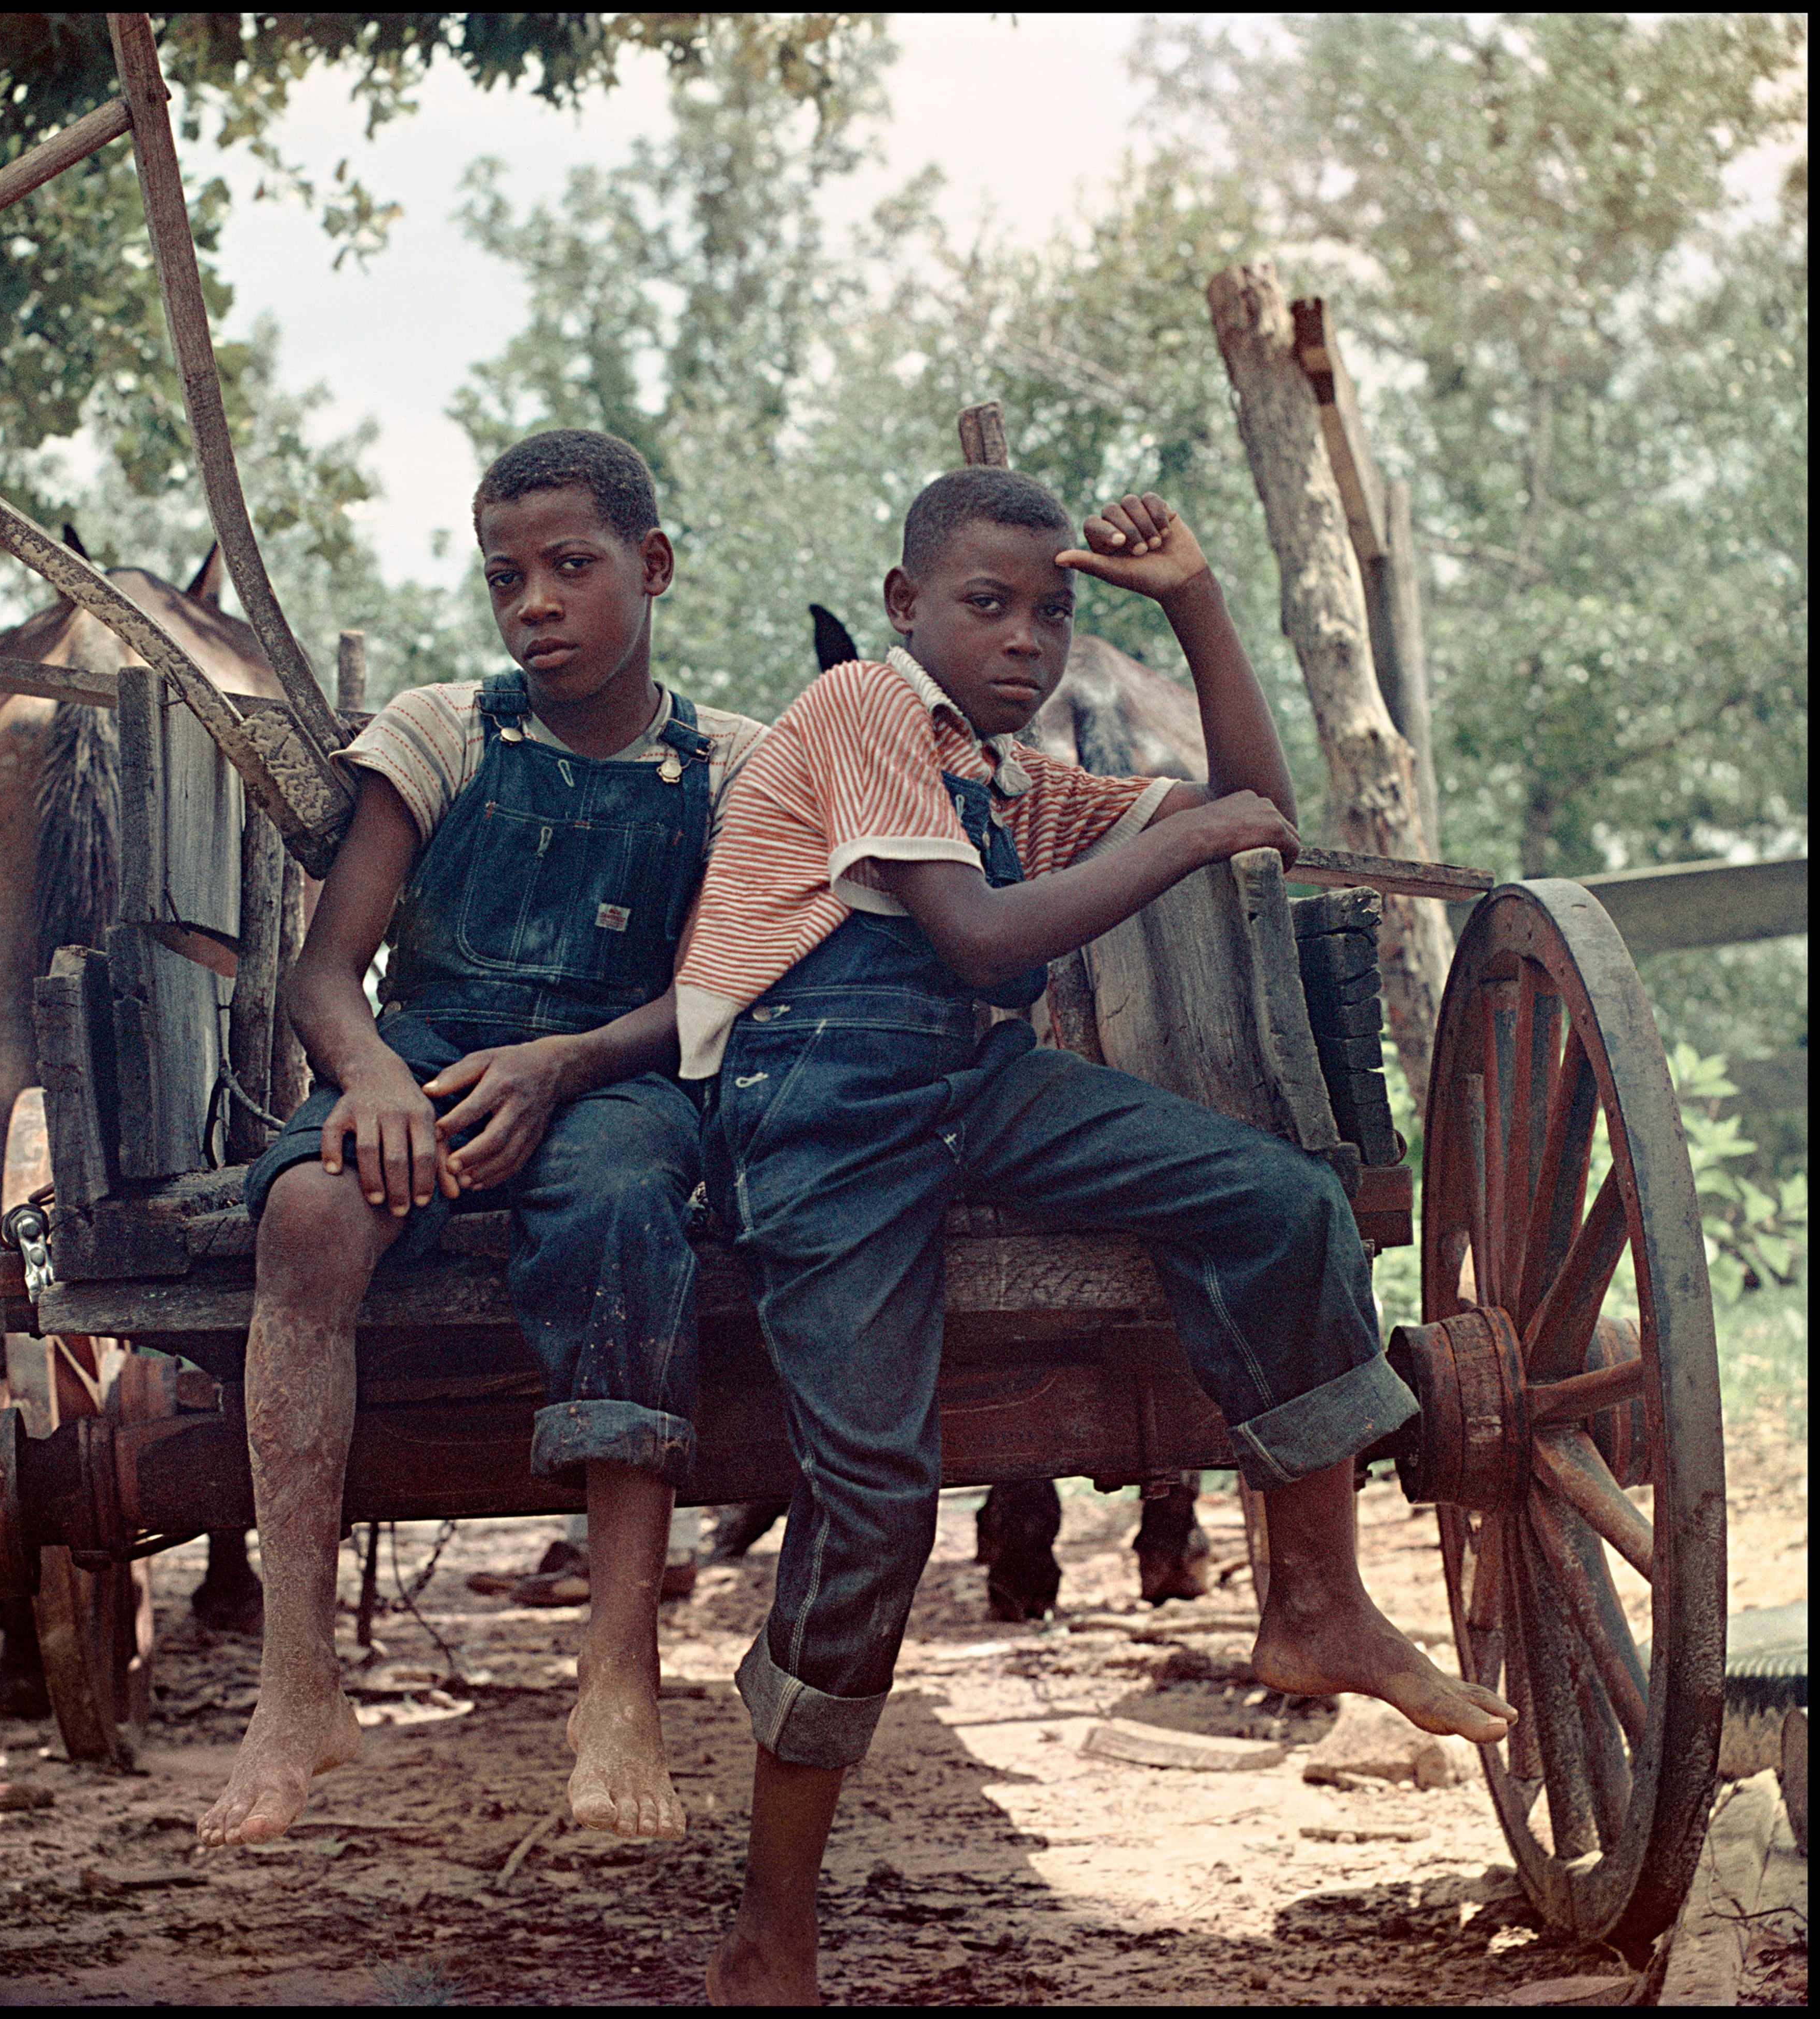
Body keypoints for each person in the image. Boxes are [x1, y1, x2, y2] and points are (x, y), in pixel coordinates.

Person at [676, 467, 1520, 2003]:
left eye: (1052, 611)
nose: (1027, 638)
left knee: (1284, 1198)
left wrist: (1194, 599)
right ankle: (769, 1926)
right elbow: (982, 936)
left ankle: (1313, 1602)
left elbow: (1249, 808)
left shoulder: (1007, 774)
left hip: (969, 1086)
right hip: (811, 1104)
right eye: (988, 605)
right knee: (874, 1504)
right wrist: (1179, 851)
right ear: (904, 604)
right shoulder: (865, 710)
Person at [195, 429, 769, 1852]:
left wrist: (567, 1060)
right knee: (311, 1215)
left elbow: (718, 997)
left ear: (653, 566)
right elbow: (327, 971)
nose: (536, 604)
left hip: (621, 1072)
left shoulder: (732, 767)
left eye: (573, 567)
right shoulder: (444, 731)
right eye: (506, 575)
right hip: (431, 1058)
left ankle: (618, 1678)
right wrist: (376, 1076)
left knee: (632, 1207)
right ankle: (299, 1680)